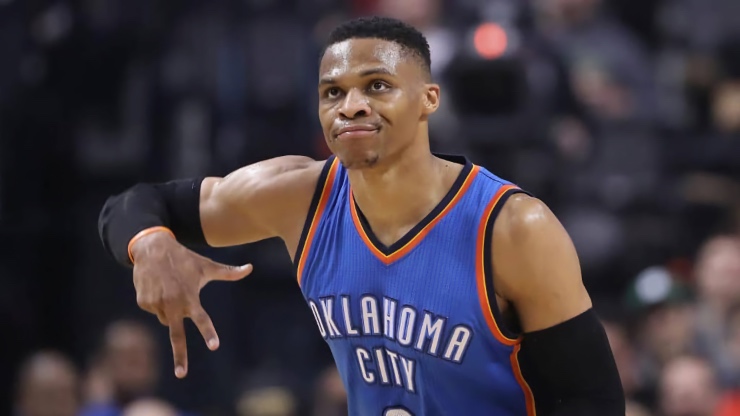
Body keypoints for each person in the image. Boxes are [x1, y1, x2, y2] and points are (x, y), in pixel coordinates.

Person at [98, 16, 624, 416]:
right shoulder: (298, 196)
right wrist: (149, 242)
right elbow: (134, 205)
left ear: (428, 100)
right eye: (333, 92)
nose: (350, 105)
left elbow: (592, 402)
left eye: (376, 86)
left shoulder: (512, 228)